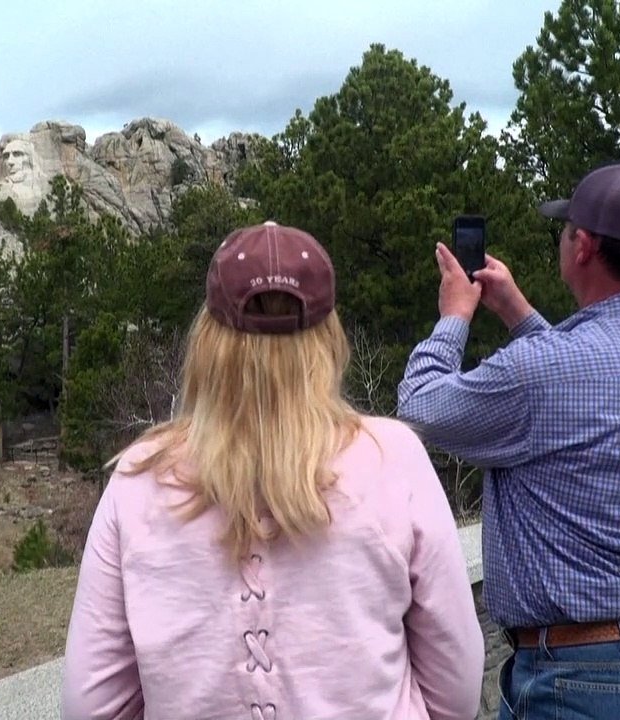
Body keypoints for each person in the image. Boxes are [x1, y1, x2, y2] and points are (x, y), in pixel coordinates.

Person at [62, 221, 485, 720]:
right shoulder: (393, 457)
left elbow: (90, 706)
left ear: (208, 343)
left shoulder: (139, 477)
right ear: (328, 339)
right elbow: (455, 689)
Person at [396, 163, 620, 720]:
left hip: (590, 682)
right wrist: (519, 313)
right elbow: (593, 391)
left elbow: (421, 408)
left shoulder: (548, 371)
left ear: (582, 245)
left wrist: (454, 317)